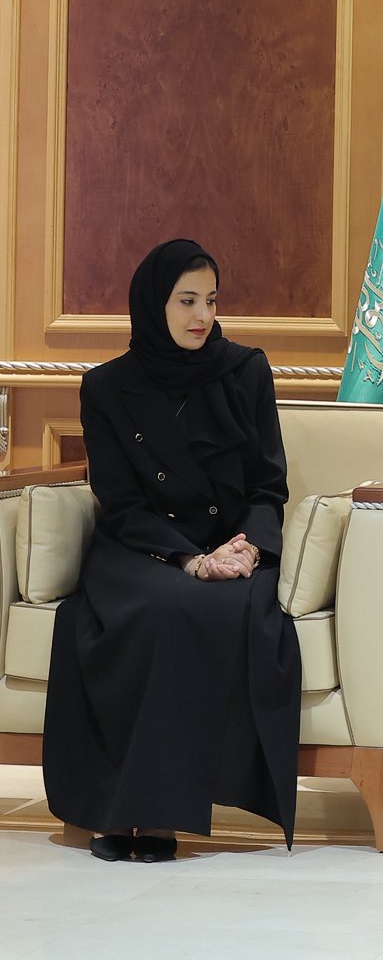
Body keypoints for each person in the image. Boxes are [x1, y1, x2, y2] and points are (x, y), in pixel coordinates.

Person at [44, 240, 301, 861]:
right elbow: (120, 502)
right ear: (152, 304)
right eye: (186, 301)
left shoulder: (246, 370)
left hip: (231, 545)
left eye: (211, 300)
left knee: (201, 609)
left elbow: (268, 486)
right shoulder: (106, 386)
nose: (202, 316)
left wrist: (246, 549)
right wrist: (188, 560)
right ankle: (117, 808)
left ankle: (155, 815)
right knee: (156, 606)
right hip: (142, 546)